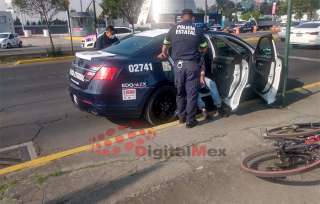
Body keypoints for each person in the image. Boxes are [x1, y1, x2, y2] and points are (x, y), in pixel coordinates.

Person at [158, 9, 208, 128]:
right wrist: (199, 54)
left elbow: (165, 46)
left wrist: (164, 53)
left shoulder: (173, 29)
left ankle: (181, 117)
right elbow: (205, 48)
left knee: (180, 93)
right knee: (191, 94)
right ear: (192, 18)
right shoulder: (197, 30)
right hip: (191, 65)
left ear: (181, 18)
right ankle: (190, 121)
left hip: (178, 66)